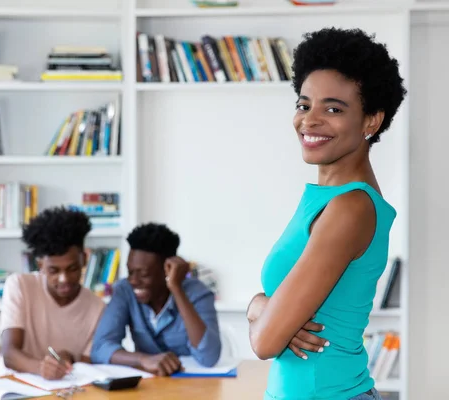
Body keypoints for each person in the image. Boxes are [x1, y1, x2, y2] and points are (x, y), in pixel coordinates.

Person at [246, 27, 407, 400]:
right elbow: (271, 323)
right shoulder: (327, 199)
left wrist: (263, 315)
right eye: (304, 105)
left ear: (371, 121)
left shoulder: (350, 207)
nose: (310, 120)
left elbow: (266, 342)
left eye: (333, 108)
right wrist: (260, 306)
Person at [91, 222, 221, 376]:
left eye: (143, 274)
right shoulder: (124, 290)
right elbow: (100, 349)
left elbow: (209, 356)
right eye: (130, 271)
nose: (133, 280)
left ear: (167, 270)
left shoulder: (197, 292)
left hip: (192, 387)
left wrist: (176, 288)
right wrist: (143, 360)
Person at [0, 206, 105, 379]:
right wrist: (41, 367)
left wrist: (69, 357)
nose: (64, 279)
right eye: (54, 271)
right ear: (40, 265)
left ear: (84, 259)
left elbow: (87, 366)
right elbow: (10, 354)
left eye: (72, 269)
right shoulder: (19, 285)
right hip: (12, 387)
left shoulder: (98, 308)